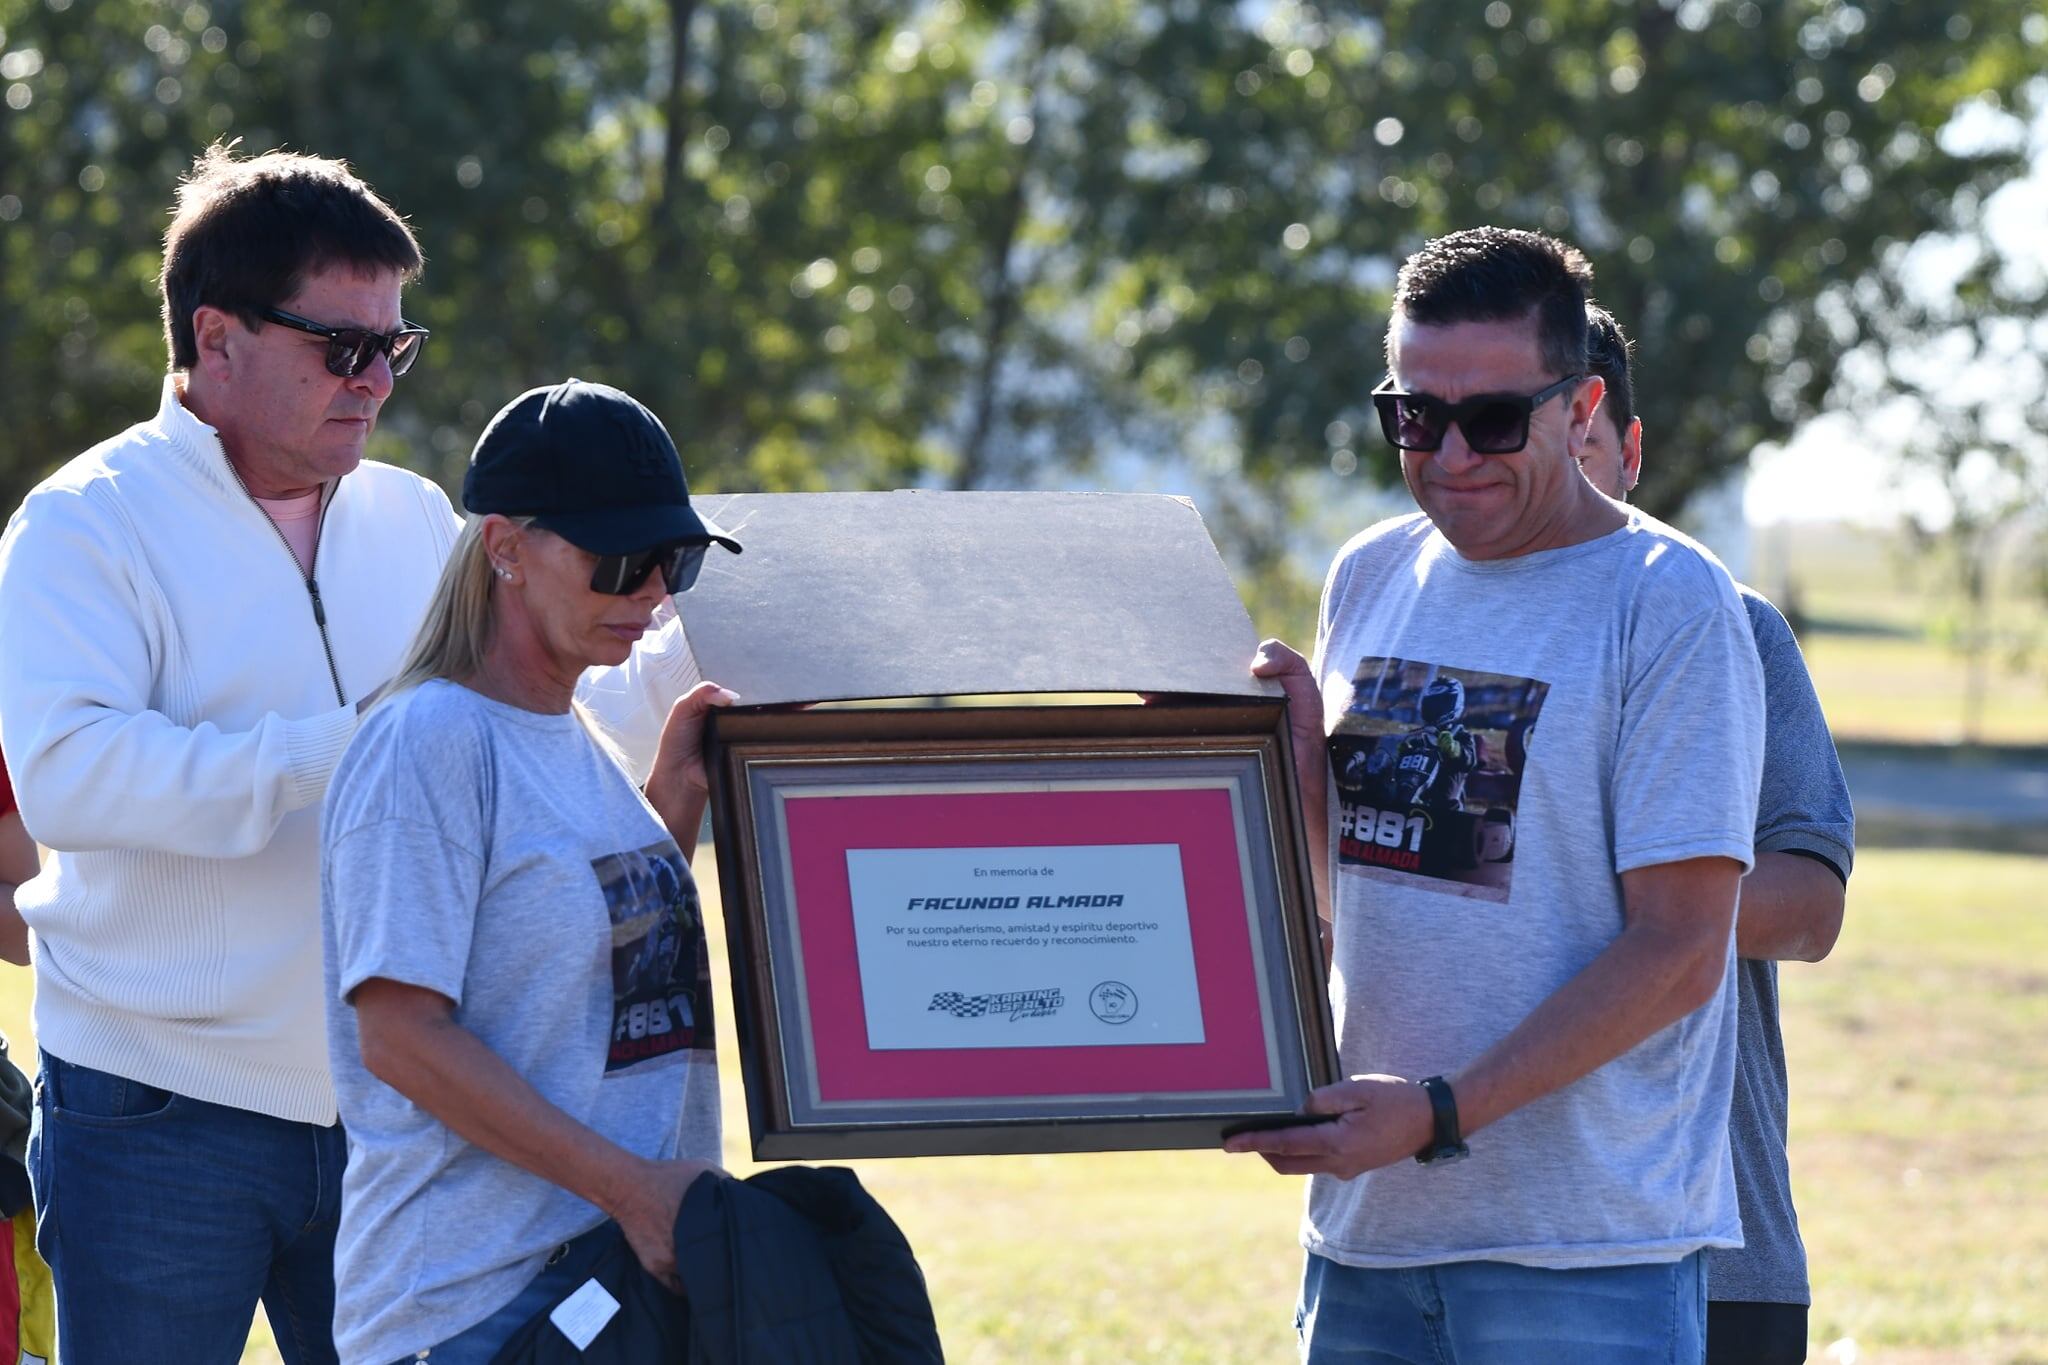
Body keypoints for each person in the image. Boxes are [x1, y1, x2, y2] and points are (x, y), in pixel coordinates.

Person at [0, 147, 701, 1361]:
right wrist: (359, 750)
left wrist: (695, 691)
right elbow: (69, 776)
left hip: (407, 1111)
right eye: (343, 347)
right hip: (156, 1114)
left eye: (394, 346)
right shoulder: (78, 523)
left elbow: (529, 730)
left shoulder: (417, 515)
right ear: (214, 340)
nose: (376, 382)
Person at [1230, 226, 1765, 1364]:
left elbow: (1679, 949)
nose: (1448, 454)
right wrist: (1294, 770)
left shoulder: (1669, 601)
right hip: (1364, 1241)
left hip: (1583, 1261)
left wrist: (1436, 1115)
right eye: (1412, 416)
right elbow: (1356, 879)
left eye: (1490, 420)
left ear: (1580, 411)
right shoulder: (1368, 571)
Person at [322, 379, 741, 1363]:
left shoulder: (572, 732)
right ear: (505, 546)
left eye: (673, 560)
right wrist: (634, 1192)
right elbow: (399, 1037)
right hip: (474, 1310)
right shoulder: (429, 741)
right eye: (621, 559)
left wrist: (667, 811)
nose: (652, 594)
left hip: (599, 1287)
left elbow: (579, 978)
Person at [1578, 304, 1853, 1365]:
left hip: (1715, 1248)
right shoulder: (1413, 623)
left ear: (1628, 450)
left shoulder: (1733, 627)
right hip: (1466, 1241)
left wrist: (1643, 903)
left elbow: (1811, 908)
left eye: (1579, 448)